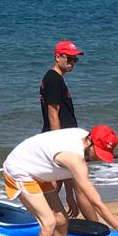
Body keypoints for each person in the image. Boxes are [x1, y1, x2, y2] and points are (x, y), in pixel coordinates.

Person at [1, 124, 118, 236]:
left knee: (62, 221)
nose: (99, 158)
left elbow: (64, 169)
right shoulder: (75, 159)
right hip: (20, 170)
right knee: (49, 222)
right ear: (89, 141)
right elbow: (96, 203)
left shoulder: (82, 137)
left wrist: (70, 195)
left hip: (39, 169)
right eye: (98, 152)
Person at [39, 40, 86, 216]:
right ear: (58, 56)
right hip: (59, 139)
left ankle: (44, 219)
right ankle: (97, 232)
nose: (72, 63)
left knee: (55, 186)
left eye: (75, 60)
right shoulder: (53, 80)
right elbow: (53, 115)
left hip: (60, 138)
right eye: (70, 58)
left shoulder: (55, 79)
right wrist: (60, 146)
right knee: (75, 187)